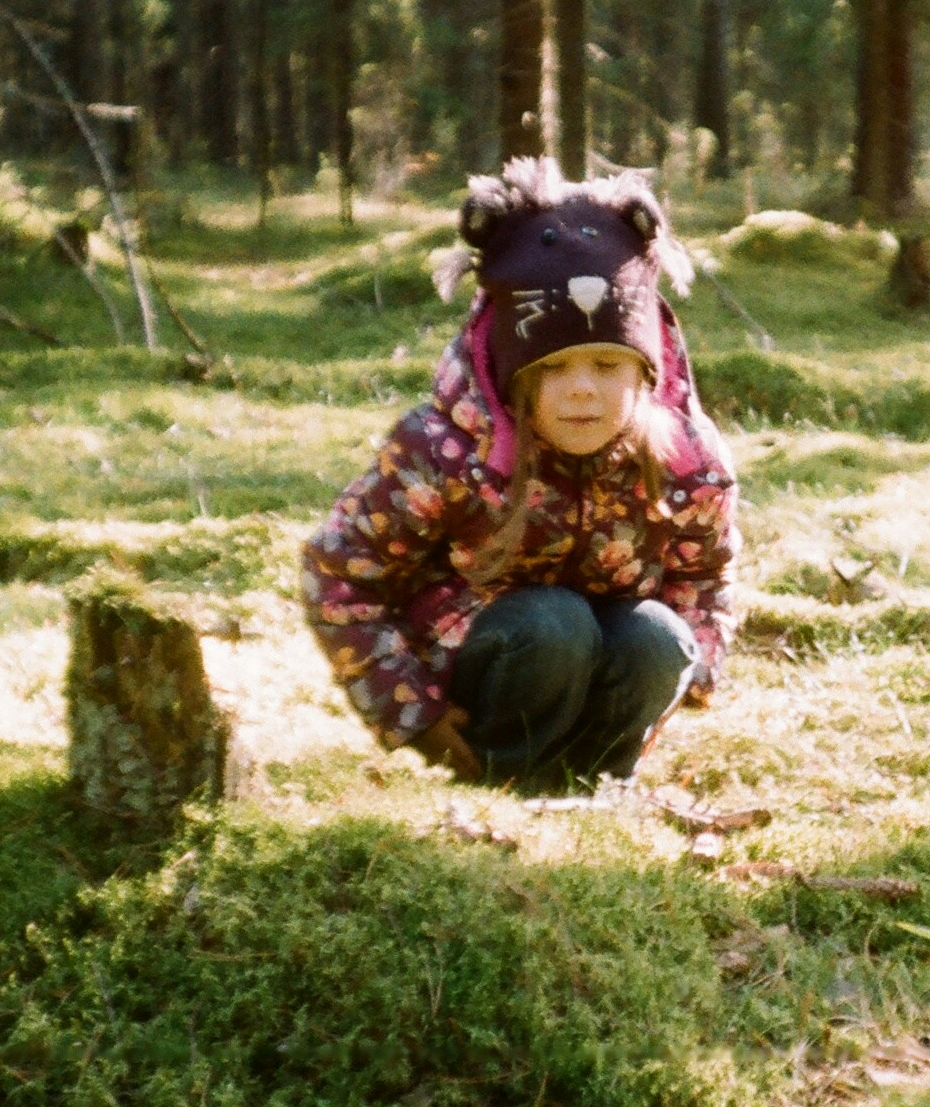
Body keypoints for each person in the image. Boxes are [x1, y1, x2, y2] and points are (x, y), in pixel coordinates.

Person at [300, 160, 740, 789]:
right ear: (511, 372)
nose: (582, 390)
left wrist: (688, 677)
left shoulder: (687, 462)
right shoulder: (446, 453)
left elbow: (705, 578)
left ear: (647, 373)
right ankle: (508, 781)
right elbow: (339, 572)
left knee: (658, 639)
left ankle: (596, 785)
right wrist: (412, 712)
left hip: (609, 661)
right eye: (553, 368)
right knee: (553, 624)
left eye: (607, 366)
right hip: (489, 658)